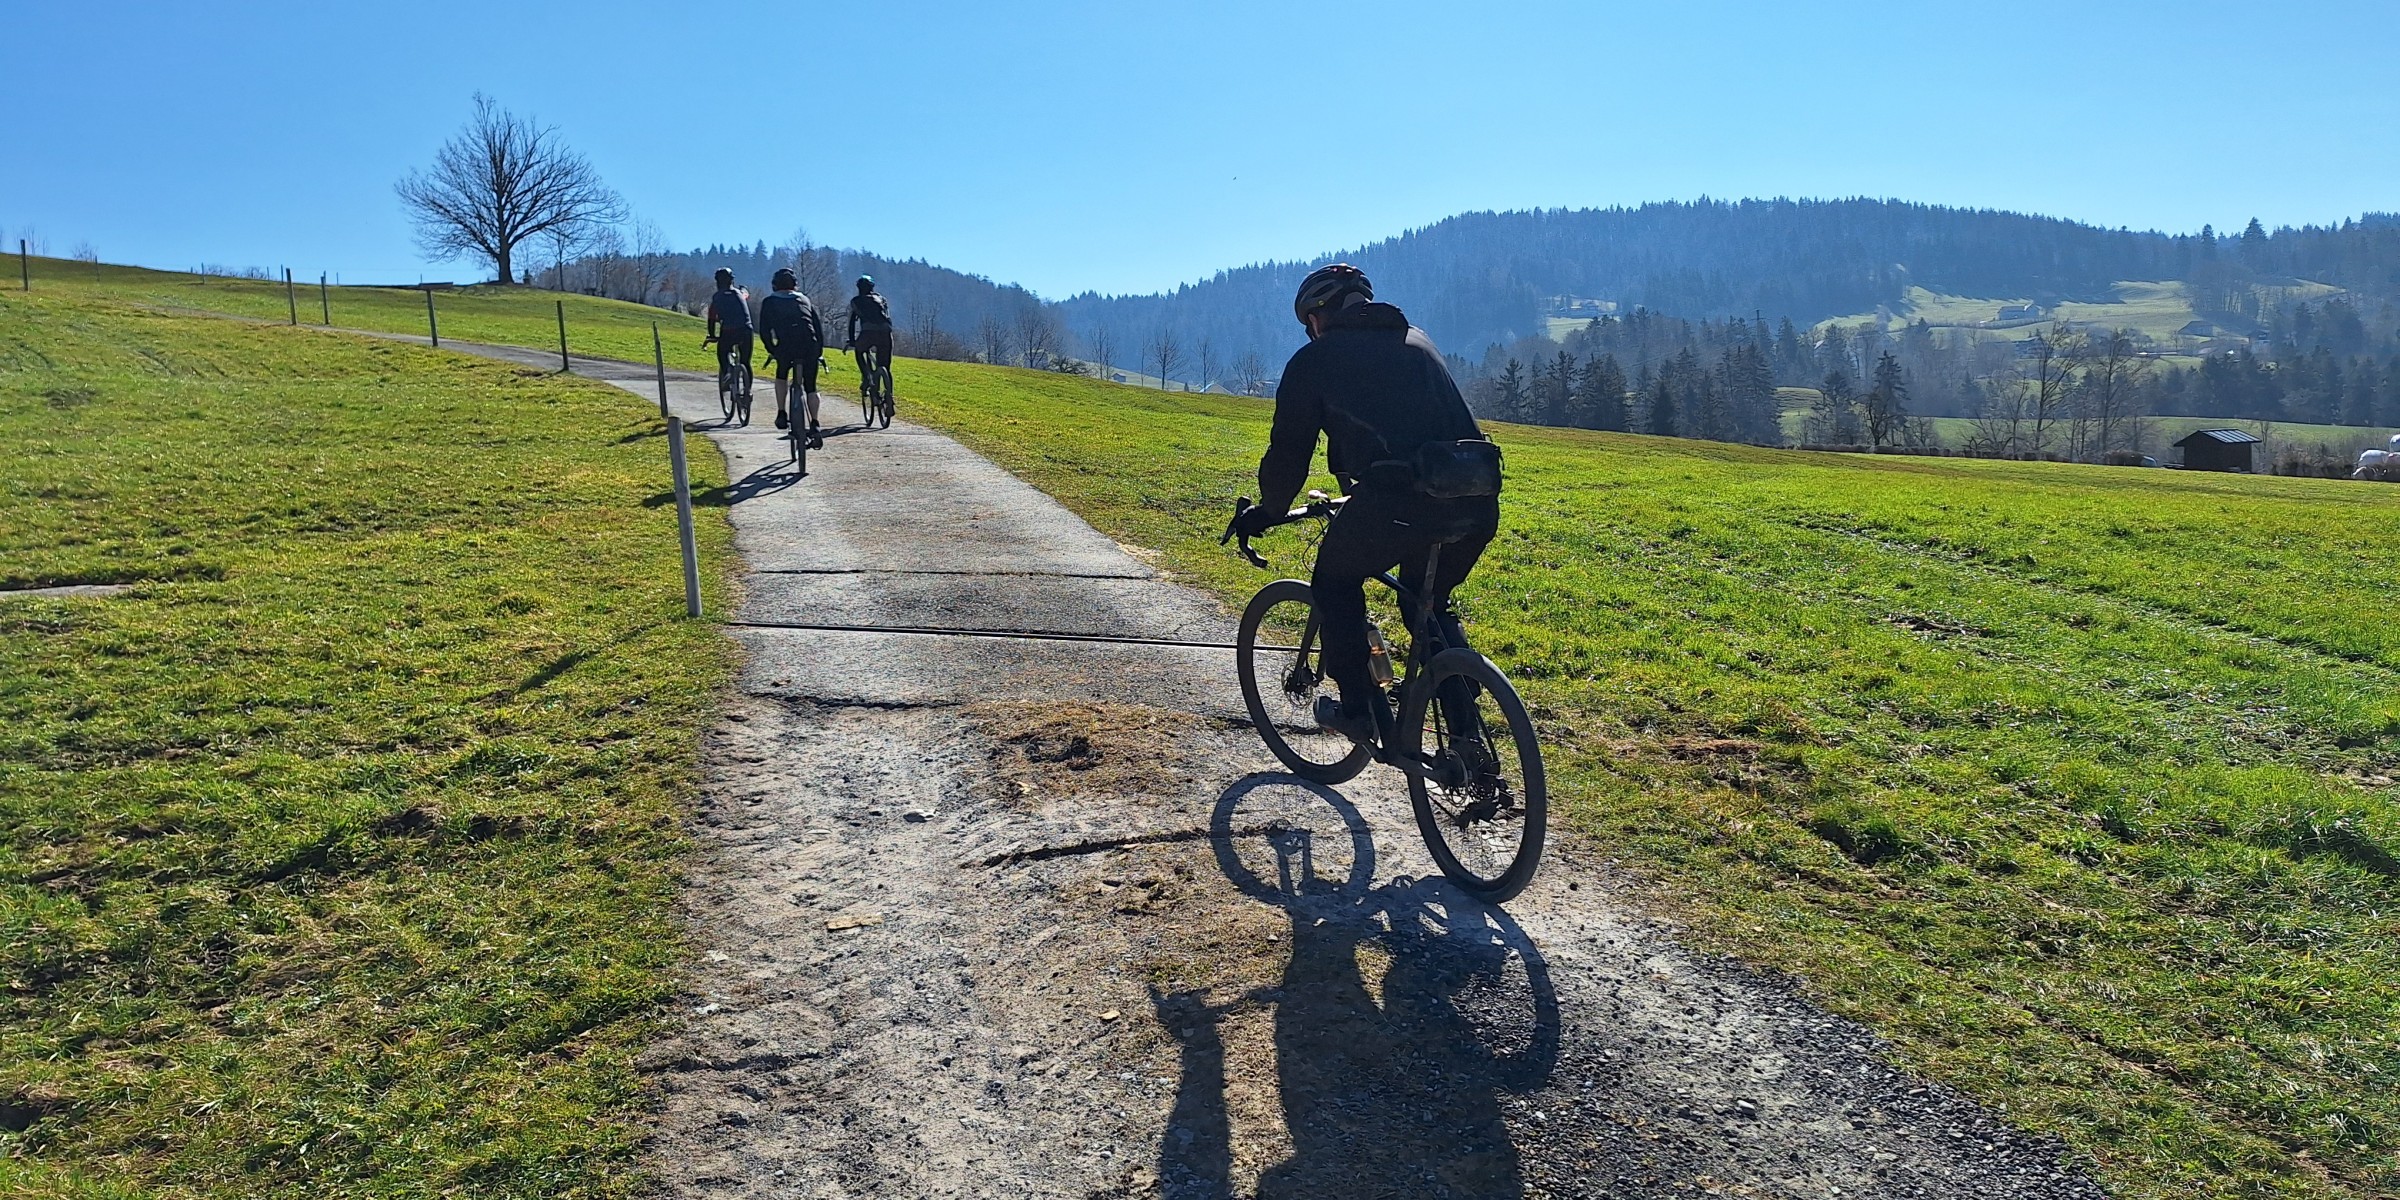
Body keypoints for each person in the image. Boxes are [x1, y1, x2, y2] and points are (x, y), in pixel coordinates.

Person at [1232, 263, 1501, 745]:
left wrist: (1269, 511)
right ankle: (1465, 732)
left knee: (1335, 584)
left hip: (1398, 502)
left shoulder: (1315, 361)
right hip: (1476, 498)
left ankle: (1357, 710)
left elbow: (1289, 453)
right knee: (1427, 600)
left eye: (1307, 323)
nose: (1309, 332)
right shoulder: (1418, 341)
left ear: (1318, 316)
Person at [758, 267, 826, 446]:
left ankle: (781, 412)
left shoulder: (769, 302)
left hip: (786, 346)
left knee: (781, 376)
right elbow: (818, 328)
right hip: (809, 346)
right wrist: (819, 351)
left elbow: (765, 331)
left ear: (774, 285)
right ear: (795, 285)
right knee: (811, 386)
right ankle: (815, 423)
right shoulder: (805, 299)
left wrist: (772, 349)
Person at [703, 267, 754, 423]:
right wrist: (743, 289)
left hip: (729, 331)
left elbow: (712, 318)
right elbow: (746, 294)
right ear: (732, 280)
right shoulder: (740, 294)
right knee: (745, 362)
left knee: (722, 352)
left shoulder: (717, 297)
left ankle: (727, 373)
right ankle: (747, 392)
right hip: (746, 330)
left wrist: (712, 335)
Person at [845, 274, 896, 399]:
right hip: (885, 333)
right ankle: (889, 397)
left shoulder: (856, 301)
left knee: (859, 351)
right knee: (885, 366)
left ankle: (867, 377)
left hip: (868, 333)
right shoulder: (882, 299)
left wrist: (852, 341)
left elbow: (852, 322)